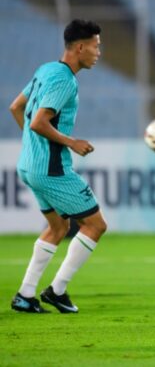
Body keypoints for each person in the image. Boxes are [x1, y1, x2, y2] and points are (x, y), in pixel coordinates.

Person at [9, 19, 108, 314]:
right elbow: (39, 122)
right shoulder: (65, 80)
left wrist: (33, 147)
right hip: (52, 170)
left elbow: (16, 107)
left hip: (29, 165)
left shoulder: (46, 69)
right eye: (96, 46)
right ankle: (57, 290)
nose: (99, 52)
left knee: (58, 227)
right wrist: (71, 142)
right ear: (80, 47)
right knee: (96, 225)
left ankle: (25, 295)